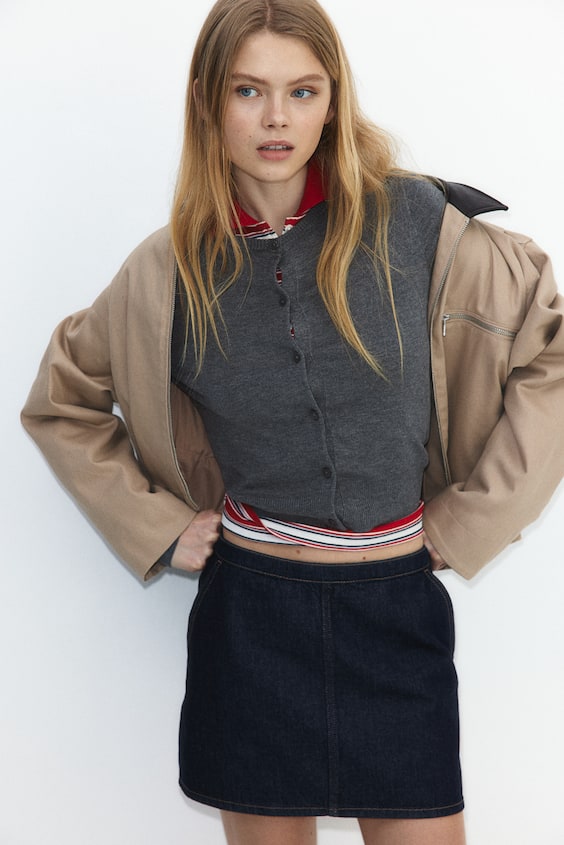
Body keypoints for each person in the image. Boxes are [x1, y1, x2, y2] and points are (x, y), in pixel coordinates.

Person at [21, 0, 564, 843]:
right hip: (250, 624)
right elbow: (62, 398)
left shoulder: (420, 225)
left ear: (332, 102)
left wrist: (472, 517)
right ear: (208, 101)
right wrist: (158, 527)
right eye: (249, 90)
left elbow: (550, 351)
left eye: (302, 91)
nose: (277, 117)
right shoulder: (168, 272)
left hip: (397, 610)